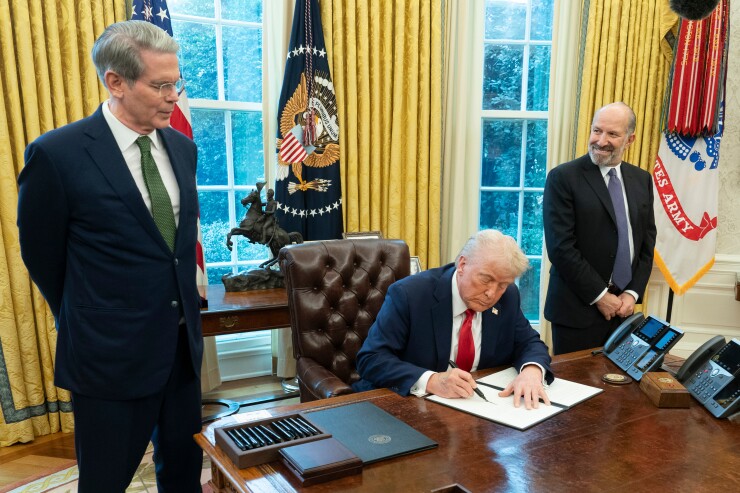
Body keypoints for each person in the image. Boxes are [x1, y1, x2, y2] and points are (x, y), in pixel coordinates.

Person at [17, 21, 203, 492]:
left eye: (176, 84)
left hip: (181, 350)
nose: (172, 97)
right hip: (109, 355)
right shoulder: (57, 155)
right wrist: (91, 317)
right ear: (115, 82)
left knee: (182, 471)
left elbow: (175, 252)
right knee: (105, 480)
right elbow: (43, 257)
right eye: (161, 86)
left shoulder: (182, 149)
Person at [353, 230, 553, 409]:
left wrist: (532, 371)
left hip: (480, 408)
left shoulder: (508, 296)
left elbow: (529, 343)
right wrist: (431, 380)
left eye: (502, 285)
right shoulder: (410, 295)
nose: (492, 294)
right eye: (486, 279)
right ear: (463, 265)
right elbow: (371, 359)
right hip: (409, 405)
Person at [543, 102, 656, 355]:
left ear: (630, 139)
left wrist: (632, 293)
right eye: (597, 131)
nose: (600, 140)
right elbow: (561, 248)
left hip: (624, 312)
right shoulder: (563, 177)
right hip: (577, 312)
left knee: (619, 392)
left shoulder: (642, 180)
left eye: (612, 134)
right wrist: (600, 296)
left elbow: (646, 244)